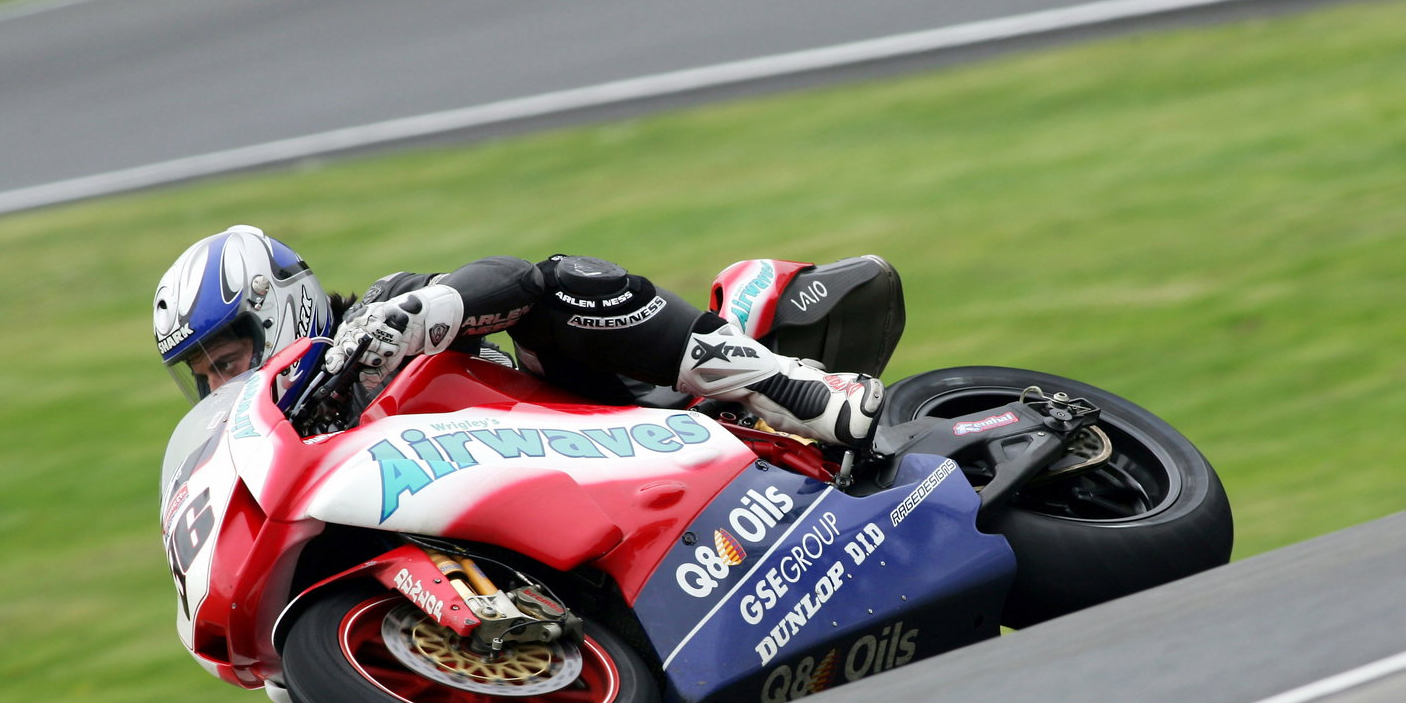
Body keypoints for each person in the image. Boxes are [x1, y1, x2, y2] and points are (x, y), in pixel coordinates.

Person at [152, 225, 885, 448]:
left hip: (609, 419)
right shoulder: (282, 446)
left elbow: (509, 278)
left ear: (275, 306)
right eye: (205, 374)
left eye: (228, 357)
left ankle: (793, 389)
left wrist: (424, 314)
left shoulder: (380, 314)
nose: (220, 382)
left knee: (556, 284)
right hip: (553, 505)